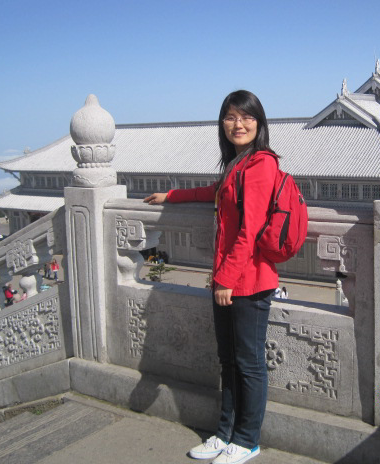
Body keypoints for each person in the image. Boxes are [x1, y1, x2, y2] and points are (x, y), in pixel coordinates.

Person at [144, 90, 278, 464]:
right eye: (231, 117)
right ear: (222, 124)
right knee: (229, 360)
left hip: (249, 282)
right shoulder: (238, 164)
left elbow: (250, 230)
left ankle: (247, 440)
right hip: (230, 279)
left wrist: (226, 280)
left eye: (247, 117)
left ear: (259, 123)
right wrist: (171, 195)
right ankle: (224, 433)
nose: (239, 124)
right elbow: (215, 193)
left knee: (249, 364)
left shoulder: (261, 164)